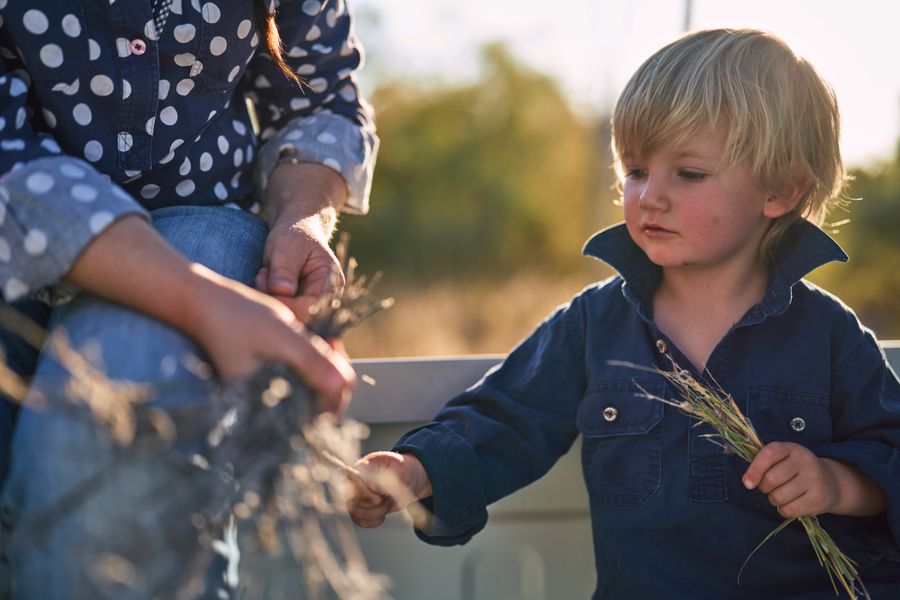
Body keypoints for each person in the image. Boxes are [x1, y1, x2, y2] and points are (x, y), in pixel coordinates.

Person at [348, 28, 900, 598]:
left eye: (688, 174)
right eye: (635, 170)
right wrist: (415, 470)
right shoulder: (596, 325)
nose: (649, 197)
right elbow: (506, 417)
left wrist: (838, 482)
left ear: (780, 190)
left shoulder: (829, 337)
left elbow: (891, 449)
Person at [0, 0, 377, 597]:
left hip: (197, 215)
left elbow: (318, 99)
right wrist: (197, 301)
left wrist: (302, 220)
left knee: (108, 442)